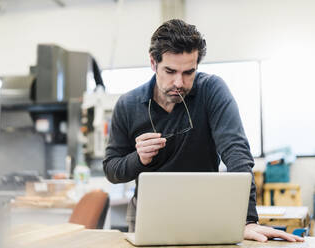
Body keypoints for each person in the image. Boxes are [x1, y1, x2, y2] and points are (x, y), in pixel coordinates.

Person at [103, 19, 303, 242]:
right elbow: (112, 170)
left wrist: (247, 219)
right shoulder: (128, 105)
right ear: (153, 62)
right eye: (170, 71)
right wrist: (139, 159)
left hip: (206, 211)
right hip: (149, 215)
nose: (179, 82)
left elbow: (236, 151)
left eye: (189, 72)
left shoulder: (211, 91)